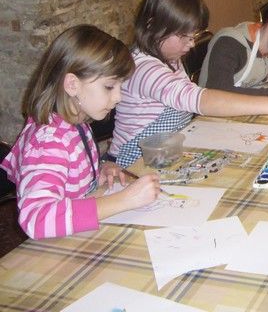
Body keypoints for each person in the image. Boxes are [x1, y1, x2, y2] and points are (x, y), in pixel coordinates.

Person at [109, 0, 268, 167]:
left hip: (167, 152)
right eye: (184, 36)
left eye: (193, 36)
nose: (191, 44)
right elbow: (199, 99)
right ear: (153, 25)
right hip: (135, 164)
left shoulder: (169, 58)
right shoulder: (143, 69)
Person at [1, 25, 160, 239]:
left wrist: (99, 169)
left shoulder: (77, 122)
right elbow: (37, 219)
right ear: (72, 85)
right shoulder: (48, 141)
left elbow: (68, 174)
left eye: (120, 86)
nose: (118, 97)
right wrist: (125, 200)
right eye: (109, 87)